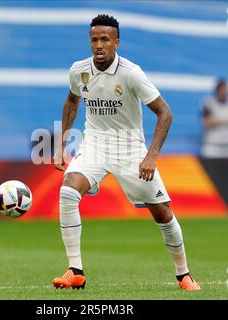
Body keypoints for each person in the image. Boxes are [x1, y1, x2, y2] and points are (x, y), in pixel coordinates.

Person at [52, 15, 200, 291]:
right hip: (94, 144)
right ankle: (75, 270)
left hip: (130, 148)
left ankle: (184, 274)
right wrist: (62, 143)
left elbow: (165, 113)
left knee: (162, 213)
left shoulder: (131, 73)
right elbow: (72, 101)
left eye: (105, 39)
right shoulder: (78, 70)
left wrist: (151, 156)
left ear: (116, 42)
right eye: (94, 39)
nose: (99, 45)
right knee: (68, 189)